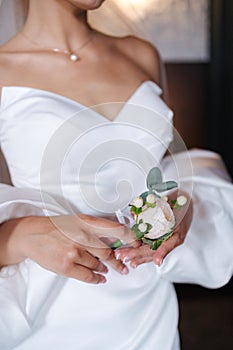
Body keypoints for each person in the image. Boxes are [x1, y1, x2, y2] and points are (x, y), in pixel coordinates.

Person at [0, 1, 232, 349]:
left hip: (148, 305)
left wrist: (179, 203)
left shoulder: (141, 55)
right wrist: (16, 237)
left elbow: (168, 169)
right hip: (54, 311)